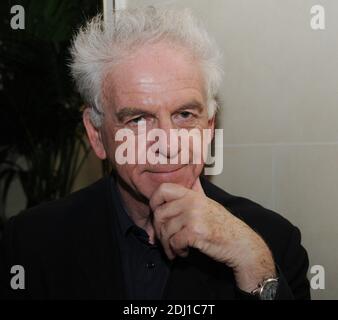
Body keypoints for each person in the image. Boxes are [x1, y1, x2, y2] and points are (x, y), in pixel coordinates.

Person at [0, 7, 310, 300]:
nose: (168, 144)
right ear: (96, 134)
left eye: (185, 115)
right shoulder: (32, 244)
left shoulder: (272, 244)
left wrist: (254, 268)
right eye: (138, 119)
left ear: (209, 127)